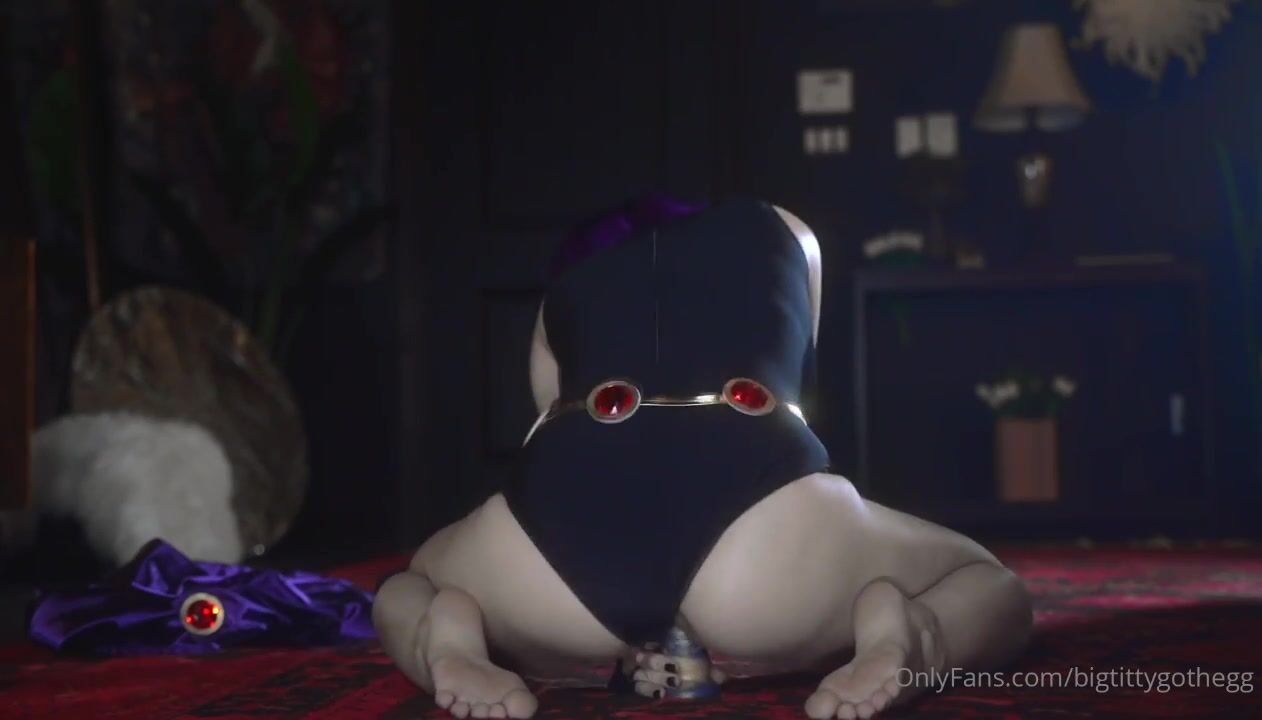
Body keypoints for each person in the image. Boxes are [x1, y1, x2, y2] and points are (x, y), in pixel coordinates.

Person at [373, 197, 1032, 720]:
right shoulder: (786, 231)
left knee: (410, 584)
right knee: (987, 579)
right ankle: (916, 635)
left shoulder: (560, 297)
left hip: (552, 548)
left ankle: (445, 638)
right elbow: (797, 387)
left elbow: (545, 425)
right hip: (760, 510)